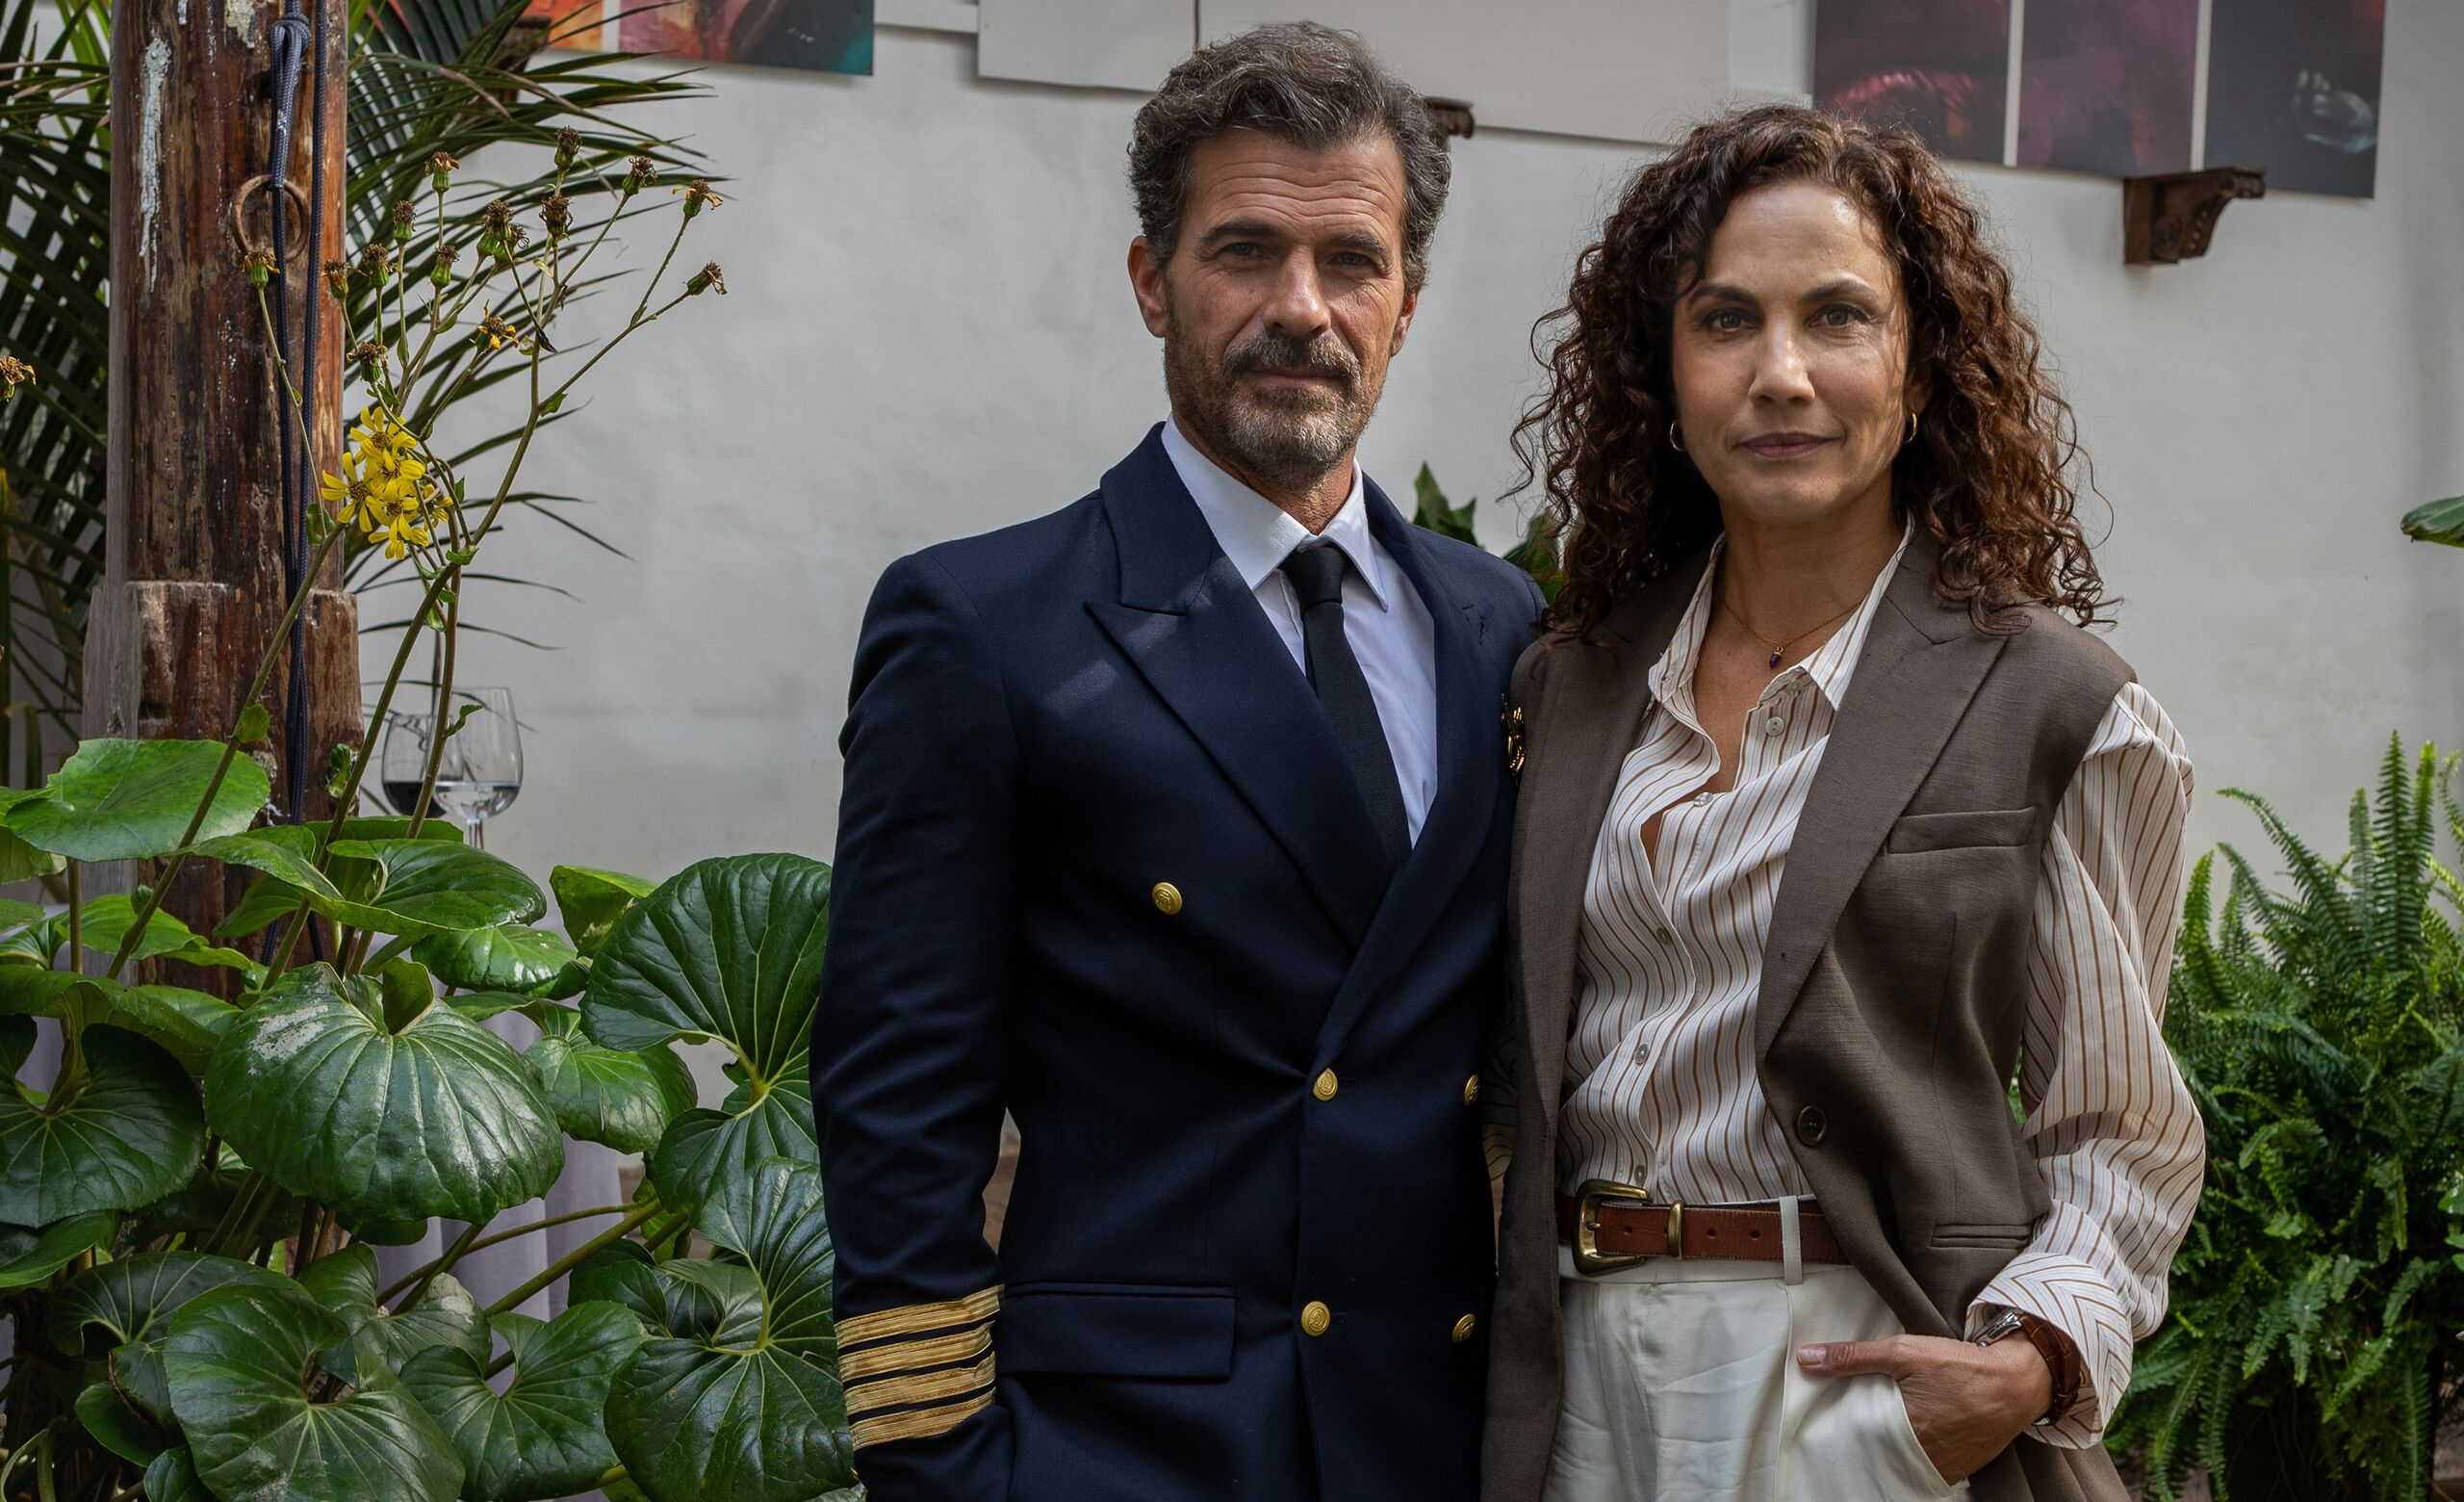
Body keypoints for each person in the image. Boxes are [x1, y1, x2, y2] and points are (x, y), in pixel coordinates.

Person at [812, 23, 1543, 1502]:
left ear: (1405, 303)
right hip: (1127, 1452)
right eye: (1245, 251)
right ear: (1153, 281)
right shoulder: (986, 627)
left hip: (1436, 1437)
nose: (1301, 308)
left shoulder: (1502, 627)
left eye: (1351, 261)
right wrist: (950, 1469)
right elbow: (899, 1096)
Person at [1478, 106, 2204, 1502]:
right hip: (1580, 1374)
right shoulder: (1569, 685)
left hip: (1862, 1366)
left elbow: (2120, 1128)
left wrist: (2033, 1360)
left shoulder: (2056, 703)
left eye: (1838, 317)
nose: (1782, 374)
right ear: (1664, 375)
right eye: (1726, 321)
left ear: (1919, 370)